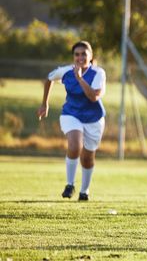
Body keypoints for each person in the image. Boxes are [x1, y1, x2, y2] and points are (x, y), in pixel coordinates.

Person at [37, 41, 106, 201]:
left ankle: (84, 191)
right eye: (77, 54)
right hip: (71, 114)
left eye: (84, 54)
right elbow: (49, 79)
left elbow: (93, 96)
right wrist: (44, 103)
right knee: (75, 145)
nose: (80, 57)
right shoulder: (66, 71)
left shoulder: (98, 73)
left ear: (91, 56)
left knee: (88, 157)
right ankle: (70, 184)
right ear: (73, 57)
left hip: (93, 119)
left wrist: (80, 78)